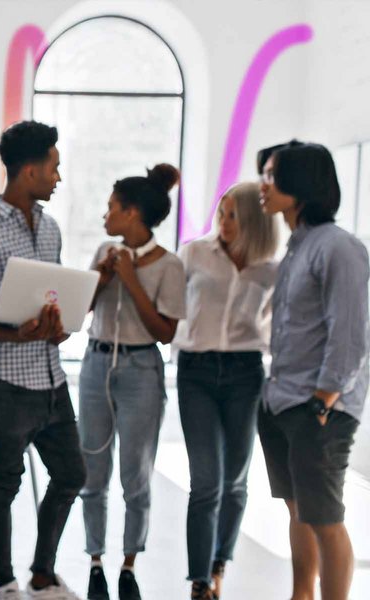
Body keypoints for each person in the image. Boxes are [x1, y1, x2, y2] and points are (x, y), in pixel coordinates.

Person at [0, 120, 86, 600]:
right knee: (4, 485)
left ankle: (42, 574)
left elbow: (49, 297)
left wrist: (56, 325)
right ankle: (4, 582)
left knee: (73, 474)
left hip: (51, 381)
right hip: (6, 386)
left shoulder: (51, 229)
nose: (58, 177)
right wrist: (17, 333)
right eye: (54, 167)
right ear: (29, 170)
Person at [257, 141, 369, 600]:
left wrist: (324, 399)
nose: (262, 184)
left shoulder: (339, 247)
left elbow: (349, 335)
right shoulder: (297, 248)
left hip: (318, 407)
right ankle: (301, 595)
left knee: (325, 518)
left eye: (271, 175)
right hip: (282, 400)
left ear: (300, 185)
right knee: (298, 511)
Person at [79, 164, 186, 600]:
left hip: (142, 371)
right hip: (95, 364)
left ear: (133, 212)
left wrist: (130, 280)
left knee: (136, 473)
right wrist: (104, 277)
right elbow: (79, 311)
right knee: (93, 470)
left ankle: (128, 563)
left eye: (111, 208)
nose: (105, 216)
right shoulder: (106, 249)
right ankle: (95, 561)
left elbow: (165, 332)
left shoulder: (171, 265)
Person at [174, 182, 279, 599]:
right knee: (206, 481)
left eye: (233, 215)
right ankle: (199, 582)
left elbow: (276, 326)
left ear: (253, 220)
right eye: (221, 213)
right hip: (196, 371)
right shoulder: (195, 253)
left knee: (235, 480)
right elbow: (174, 305)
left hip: (245, 372)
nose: (223, 222)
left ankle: (220, 564)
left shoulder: (271, 269)